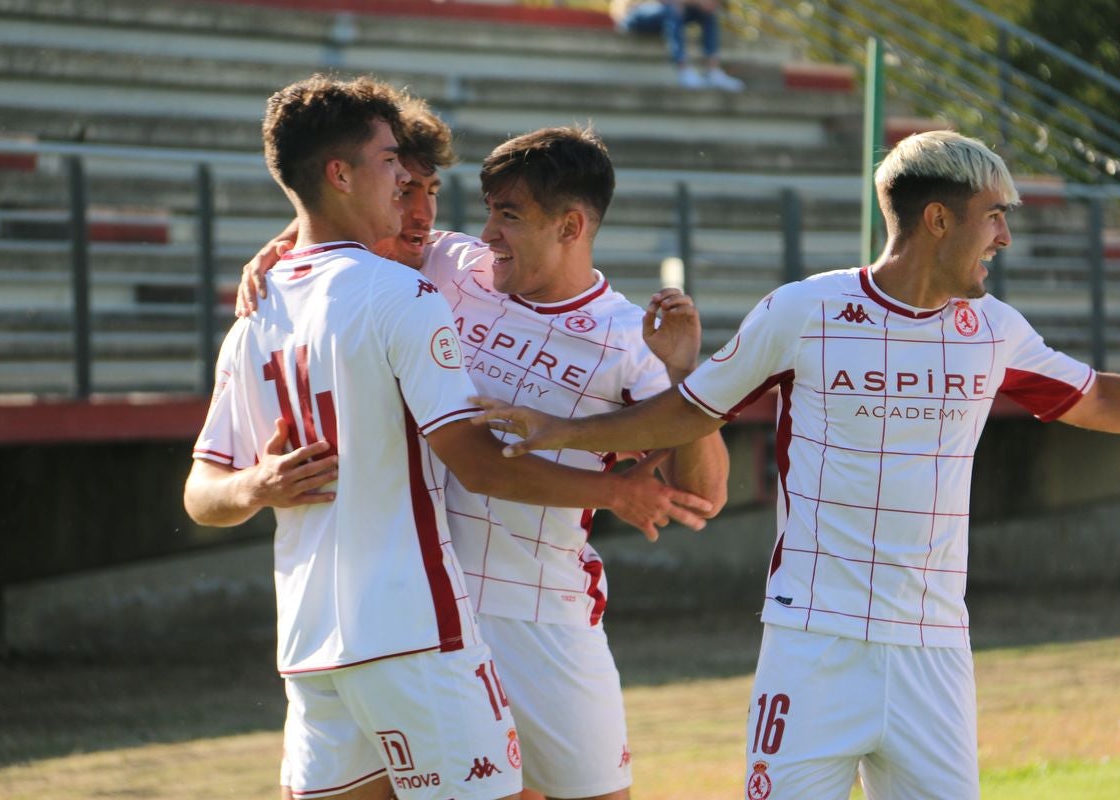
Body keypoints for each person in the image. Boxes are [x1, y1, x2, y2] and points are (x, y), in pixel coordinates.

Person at [470, 129, 1120, 800]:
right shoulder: (803, 311)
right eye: (993, 215)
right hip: (812, 641)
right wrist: (564, 428)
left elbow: (1095, 397)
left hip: (934, 648)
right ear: (938, 220)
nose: (1004, 235)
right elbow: (692, 409)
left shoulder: (995, 331)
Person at [187, 75, 713, 800]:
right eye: (403, 183)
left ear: (570, 227)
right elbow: (332, 222)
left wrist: (687, 382)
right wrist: (283, 243)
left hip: (538, 612)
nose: (430, 213)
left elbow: (703, 492)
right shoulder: (441, 271)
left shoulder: (628, 334)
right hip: (424, 611)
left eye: (507, 215)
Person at [609, 0, 744, 91]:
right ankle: (683, 69)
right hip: (635, 14)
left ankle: (712, 71)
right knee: (672, 9)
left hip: (666, 15)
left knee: (708, 14)